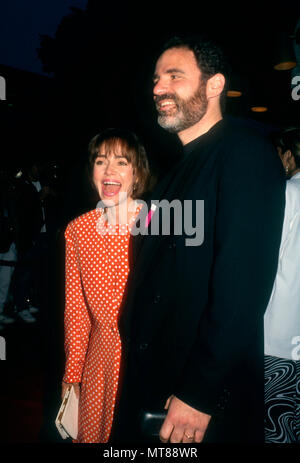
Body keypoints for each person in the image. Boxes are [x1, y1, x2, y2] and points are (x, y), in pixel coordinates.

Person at [111, 35, 286, 443]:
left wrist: (199, 391)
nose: (158, 88)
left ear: (214, 86)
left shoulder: (243, 152)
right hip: (155, 379)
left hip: (195, 400)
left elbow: (243, 287)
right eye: (156, 78)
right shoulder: (178, 170)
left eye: (174, 76)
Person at [61, 128, 150, 443]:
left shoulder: (157, 222)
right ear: (92, 172)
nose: (110, 170)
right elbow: (76, 310)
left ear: (137, 173)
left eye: (122, 162)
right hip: (98, 362)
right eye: (101, 162)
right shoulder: (78, 230)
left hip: (145, 363)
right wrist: (72, 376)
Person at [264, 127, 300, 443]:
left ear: (289, 155)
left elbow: (265, 261)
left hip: (279, 344)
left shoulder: (288, 193)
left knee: (278, 428)